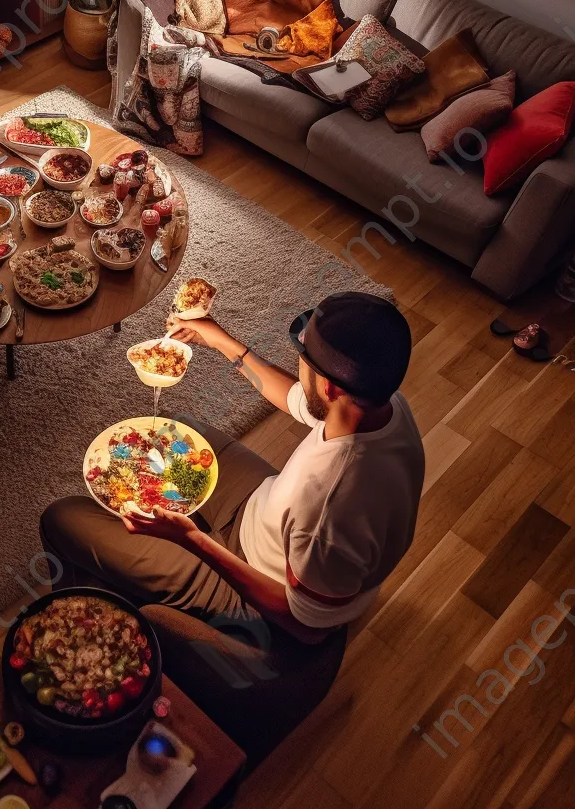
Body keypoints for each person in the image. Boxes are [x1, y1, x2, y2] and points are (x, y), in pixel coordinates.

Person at [40, 292, 424, 760]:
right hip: (261, 513)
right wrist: (219, 338)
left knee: (62, 519)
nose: (297, 363)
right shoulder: (382, 406)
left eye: (303, 358)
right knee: (164, 431)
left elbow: (305, 626)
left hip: (258, 588)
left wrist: (191, 538)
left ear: (332, 389)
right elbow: (296, 398)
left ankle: (83, 629)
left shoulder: (332, 505)